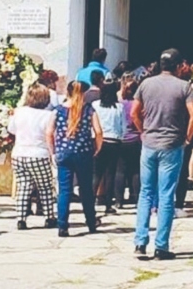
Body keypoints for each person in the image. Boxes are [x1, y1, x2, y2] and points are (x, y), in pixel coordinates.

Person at [131, 48, 193, 260]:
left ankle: (140, 241)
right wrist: (187, 138)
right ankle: (161, 246)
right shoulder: (184, 86)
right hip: (172, 144)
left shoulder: (146, 84)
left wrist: (142, 131)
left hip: (149, 143)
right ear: (178, 66)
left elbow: (134, 112)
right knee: (166, 195)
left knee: (145, 193)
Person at [48, 81, 103, 238]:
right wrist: (97, 147)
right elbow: (98, 131)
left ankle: (62, 225)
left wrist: (52, 151)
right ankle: (91, 221)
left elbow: (49, 132)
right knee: (86, 189)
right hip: (83, 153)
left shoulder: (58, 111)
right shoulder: (88, 110)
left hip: (63, 152)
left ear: (68, 92)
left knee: (64, 190)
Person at [8, 83, 57, 230]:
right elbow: (51, 134)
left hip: (19, 152)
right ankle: (49, 217)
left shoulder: (18, 112)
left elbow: (11, 130)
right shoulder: (48, 115)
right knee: (45, 186)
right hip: (39, 153)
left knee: (23, 186)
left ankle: (21, 219)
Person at [91, 78, 124, 215]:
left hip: (99, 140)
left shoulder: (95, 105)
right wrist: (120, 137)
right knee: (110, 174)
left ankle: (90, 202)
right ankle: (108, 204)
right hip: (114, 141)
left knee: (96, 173)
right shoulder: (119, 107)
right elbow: (123, 125)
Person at [115, 79, 141, 208]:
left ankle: (118, 200)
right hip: (136, 139)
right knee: (136, 170)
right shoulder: (138, 105)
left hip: (122, 139)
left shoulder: (119, 104)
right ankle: (136, 197)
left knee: (120, 171)